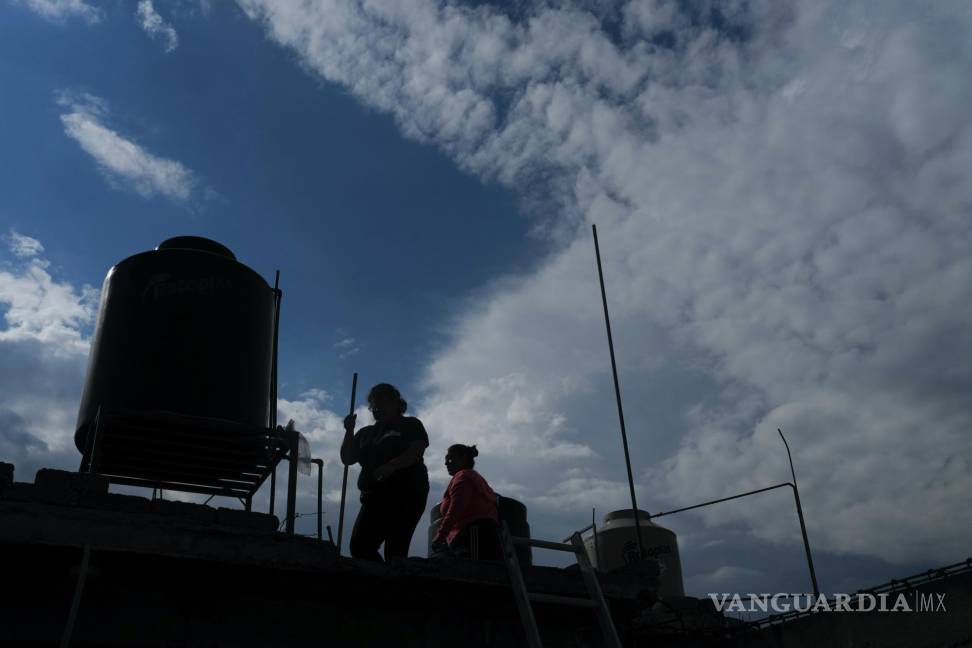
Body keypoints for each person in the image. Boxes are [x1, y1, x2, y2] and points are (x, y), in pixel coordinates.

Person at [341, 383, 429, 562]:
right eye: (374, 406)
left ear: (397, 403)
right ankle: (381, 582)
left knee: (395, 551)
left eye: (383, 403)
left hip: (407, 495)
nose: (378, 409)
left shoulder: (410, 424)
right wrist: (349, 430)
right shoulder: (366, 433)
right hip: (373, 498)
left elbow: (417, 450)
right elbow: (348, 458)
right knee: (359, 547)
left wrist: (392, 465)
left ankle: (395, 582)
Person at [433, 444, 500, 560]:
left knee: (474, 572)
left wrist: (441, 535)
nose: (446, 463)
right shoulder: (472, 477)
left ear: (463, 458)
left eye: (450, 458)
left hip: (471, 535)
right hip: (475, 535)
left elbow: (456, 508)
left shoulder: (463, 476)